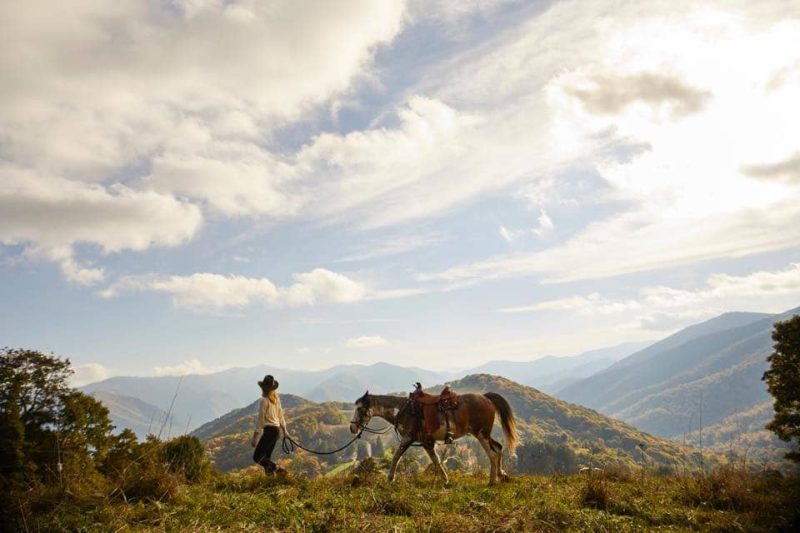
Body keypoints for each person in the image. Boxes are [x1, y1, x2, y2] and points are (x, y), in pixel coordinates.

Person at [251, 374, 289, 474]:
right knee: (267, 458)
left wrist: (255, 437)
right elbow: (281, 415)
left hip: (270, 431)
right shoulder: (276, 399)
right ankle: (270, 481)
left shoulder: (264, 400)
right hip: (277, 431)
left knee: (257, 457)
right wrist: (285, 430)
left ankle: (278, 469)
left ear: (263, 388)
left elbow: (260, 420)